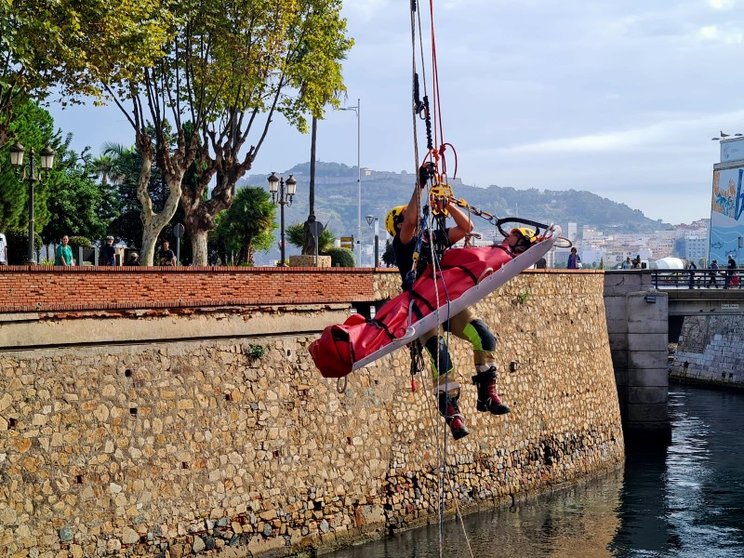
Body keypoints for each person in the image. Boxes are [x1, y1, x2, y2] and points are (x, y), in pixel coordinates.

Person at [386, 165, 528, 440]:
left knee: (484, 337)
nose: (412, 222)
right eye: (405, 220)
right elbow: (412, 220)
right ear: (398, 226)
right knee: (441, 355)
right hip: (423, 308)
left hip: (446, 301)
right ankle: (452, 412)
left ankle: (487, 394)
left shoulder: (432, 238)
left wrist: (447, 203)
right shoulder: (402, 244)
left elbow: (466, 227)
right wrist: (420, 185)